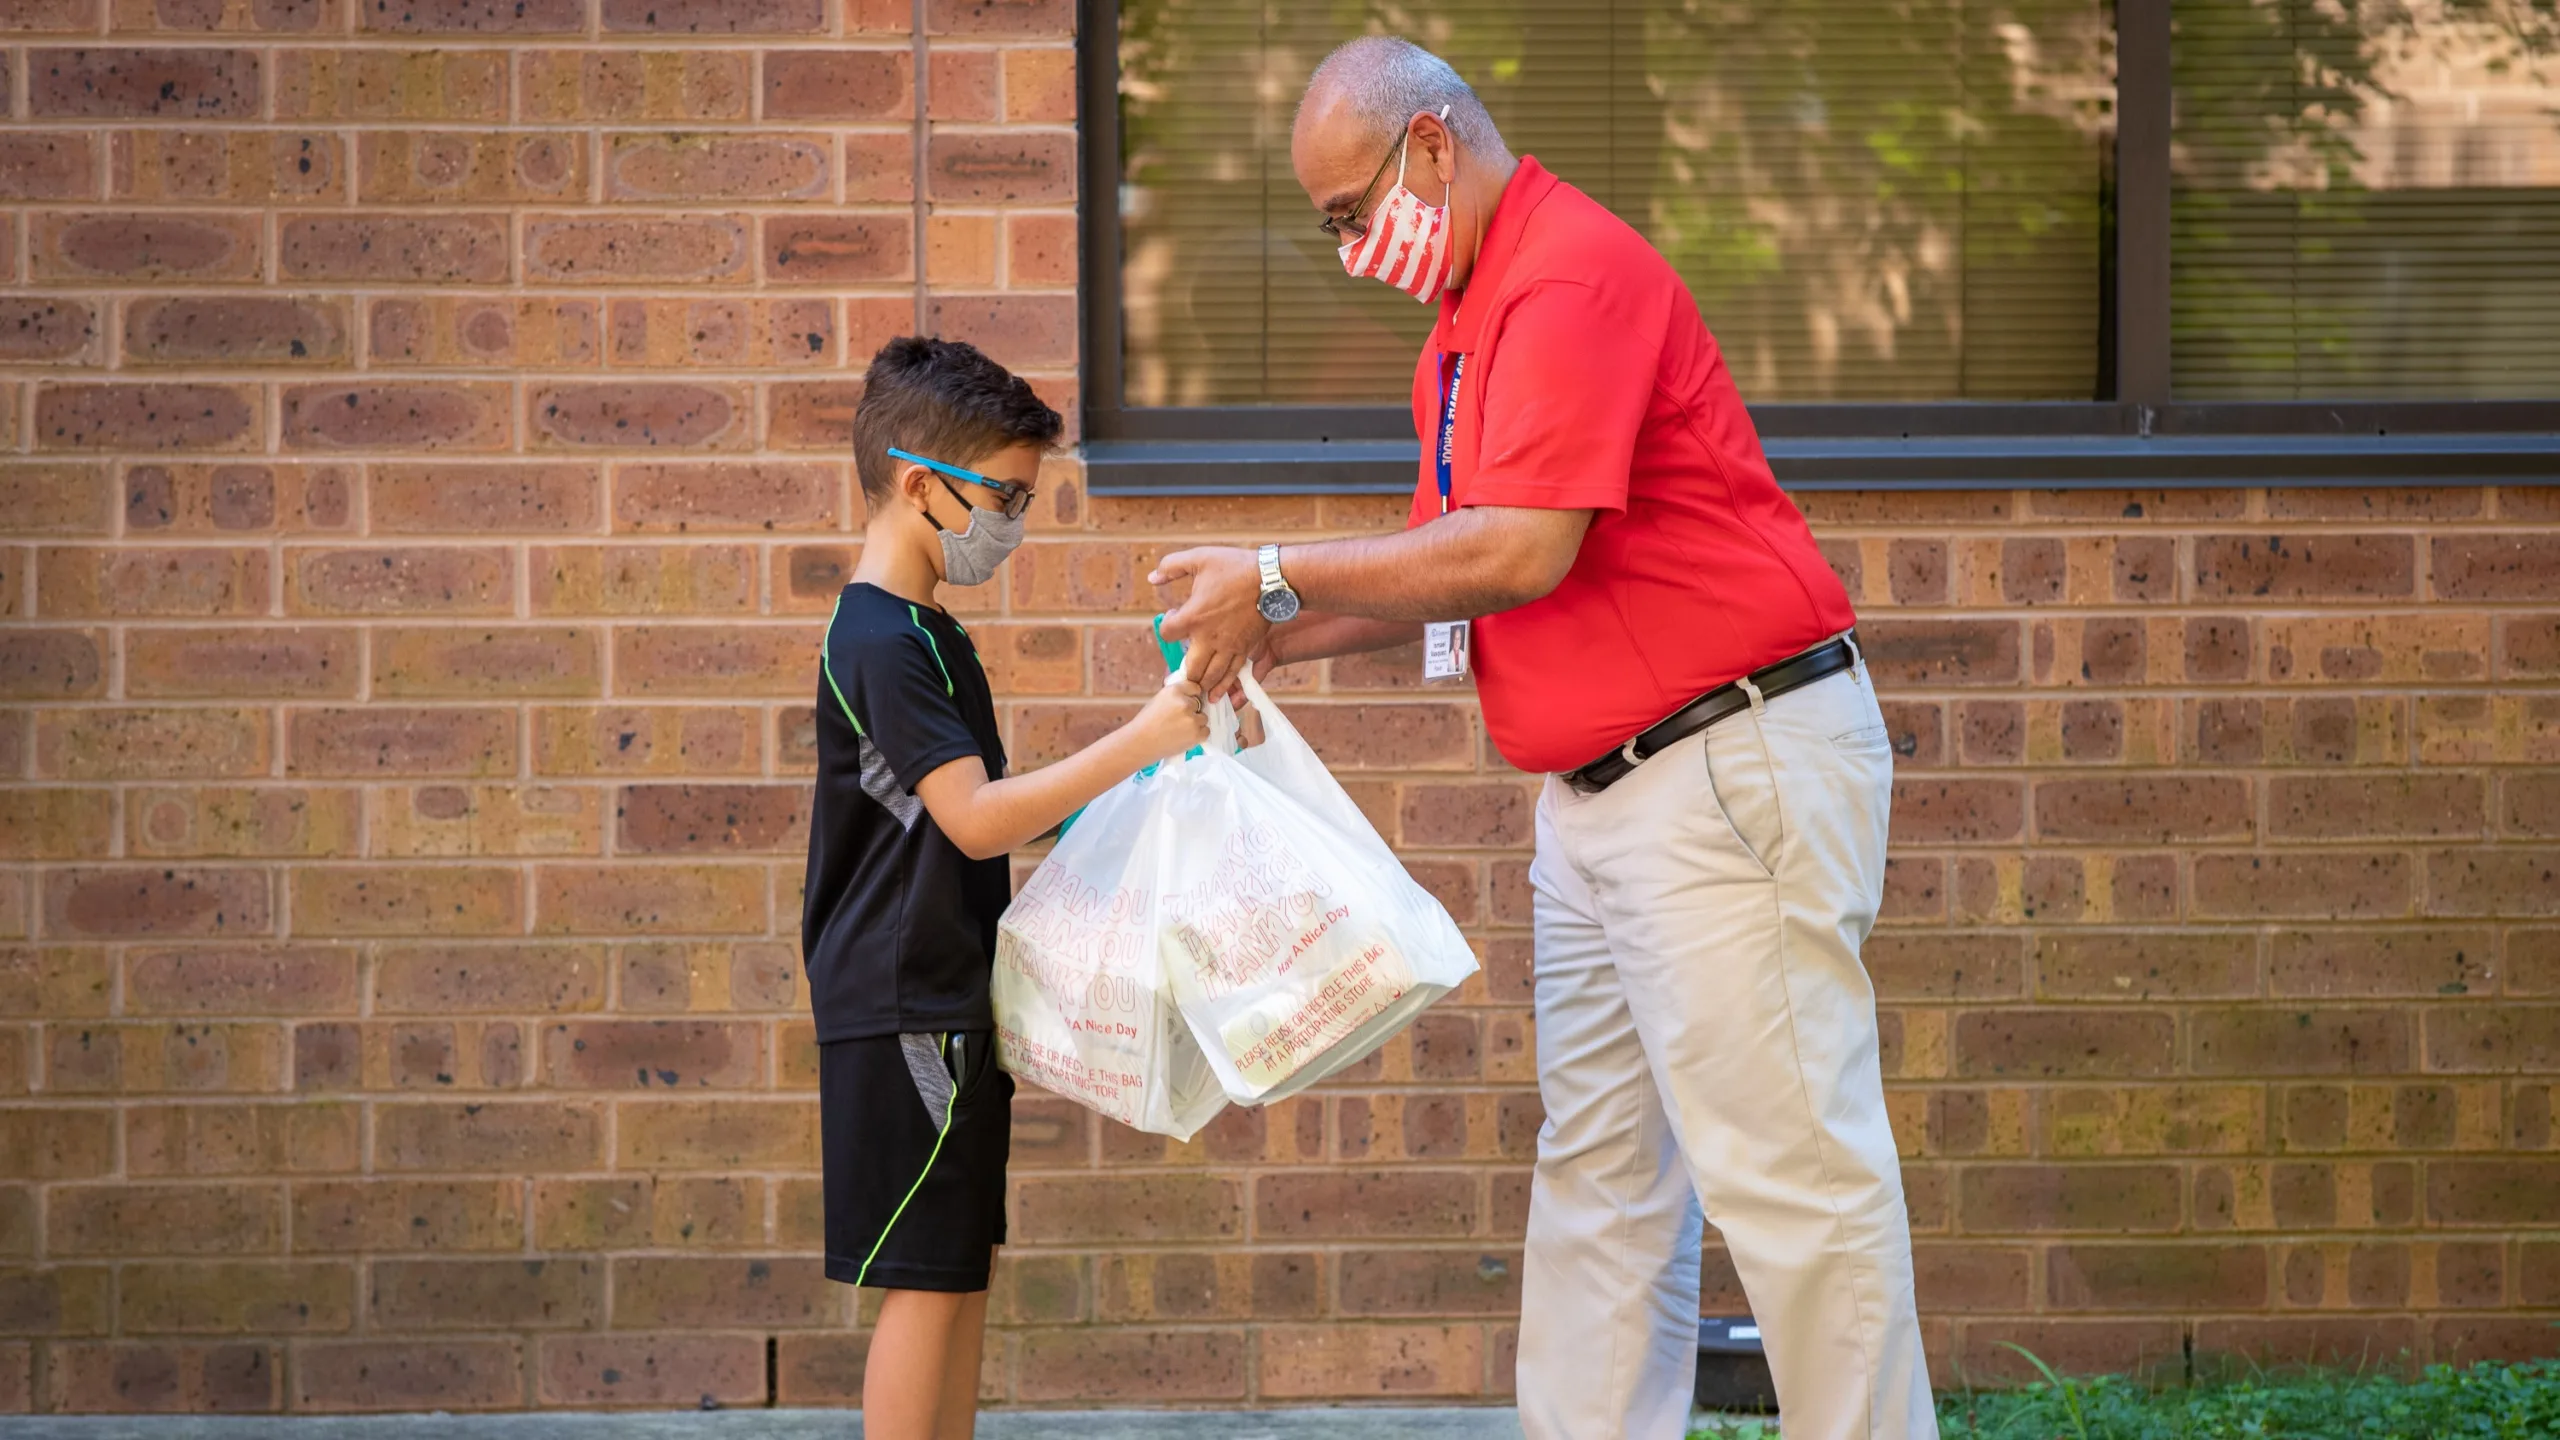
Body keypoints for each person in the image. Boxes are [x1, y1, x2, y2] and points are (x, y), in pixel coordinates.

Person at [1150, 36, 1937, 1440]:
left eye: (1351, 213)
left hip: (1718, 764)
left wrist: (1276, 575)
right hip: (1604, 798)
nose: (1348, 252)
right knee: (1603, 1177)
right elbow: (1446, 562)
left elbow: (1517, 550)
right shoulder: (1470, 318)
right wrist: (1271, 635)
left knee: (1794, 1179)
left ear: (1434, 147)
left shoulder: (1566, 278)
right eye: (1328, 225)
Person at [804, 337, 1209, 1440]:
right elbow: (974, 816)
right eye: (1004, 497)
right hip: (904, 1008)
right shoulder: (883, 639)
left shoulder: (927, 634)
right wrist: (1141, 737)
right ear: (919, 483)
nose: (1014, 527)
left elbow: (992, 818)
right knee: (926, 1279)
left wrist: (1135, 790)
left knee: (957, 1271)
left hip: (943, 999)